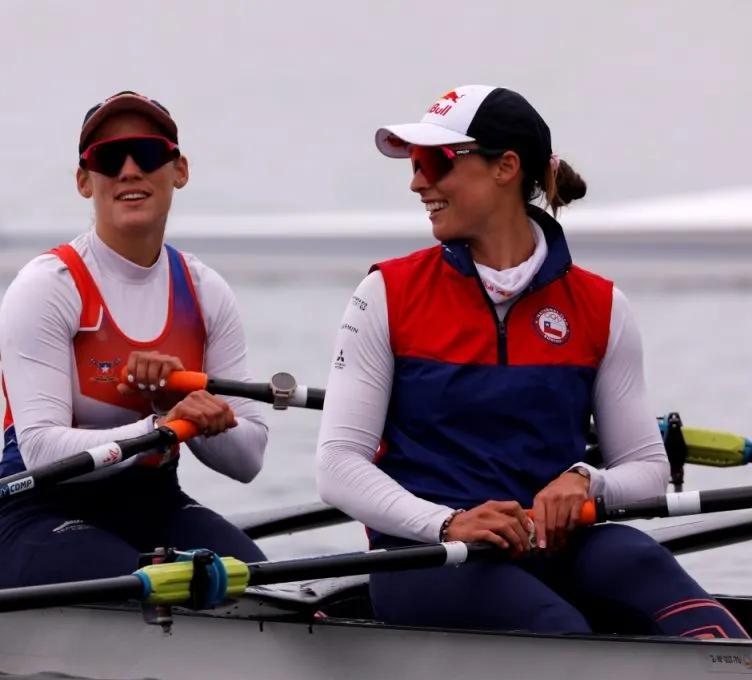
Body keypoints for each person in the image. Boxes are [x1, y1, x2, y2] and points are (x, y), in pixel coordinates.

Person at [314, 84, 748, 638]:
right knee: (563, 635)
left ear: (506, 167)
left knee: (687, 609)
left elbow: (646, 468)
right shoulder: (385, 295)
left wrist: (586, 480)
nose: (417, 182)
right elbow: (337, 465)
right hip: (428, 556)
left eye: (434, 161)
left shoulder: (601, 307)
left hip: (559, 544)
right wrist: (448, 522)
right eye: (415, 163)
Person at [0, 90, 270, 589]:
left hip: (156, 506)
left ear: (180, 170)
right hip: (43, 513)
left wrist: (183, 406)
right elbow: (42, 452)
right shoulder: (48, 287)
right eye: (109, 158)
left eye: (148, 153)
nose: (130, 171)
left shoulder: (206, 292)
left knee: (264, 583)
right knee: (155, 586)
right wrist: (161, 426)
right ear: (84, 180)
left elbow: (247, 460)